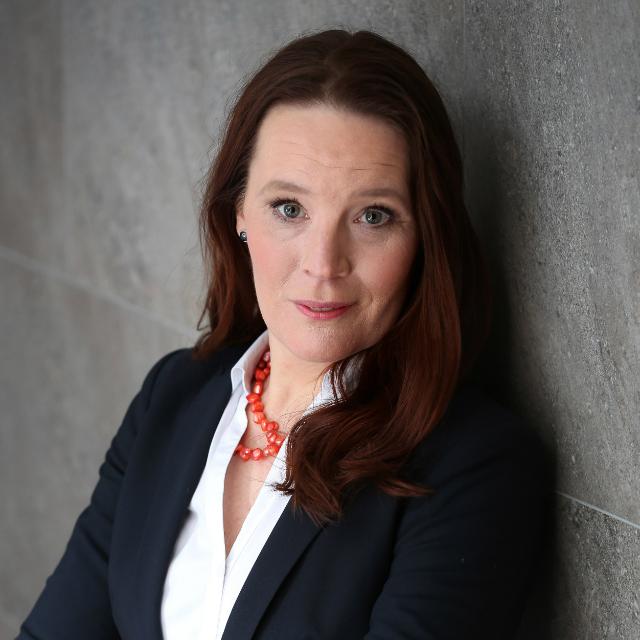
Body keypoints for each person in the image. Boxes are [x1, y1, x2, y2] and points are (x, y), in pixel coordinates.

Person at [16, 28, 550, 640]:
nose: (323, 264)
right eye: (290, 209)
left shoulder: (473, 466)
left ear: (425, 238)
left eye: (373, 216)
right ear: (239, 213)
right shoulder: (174, 396)